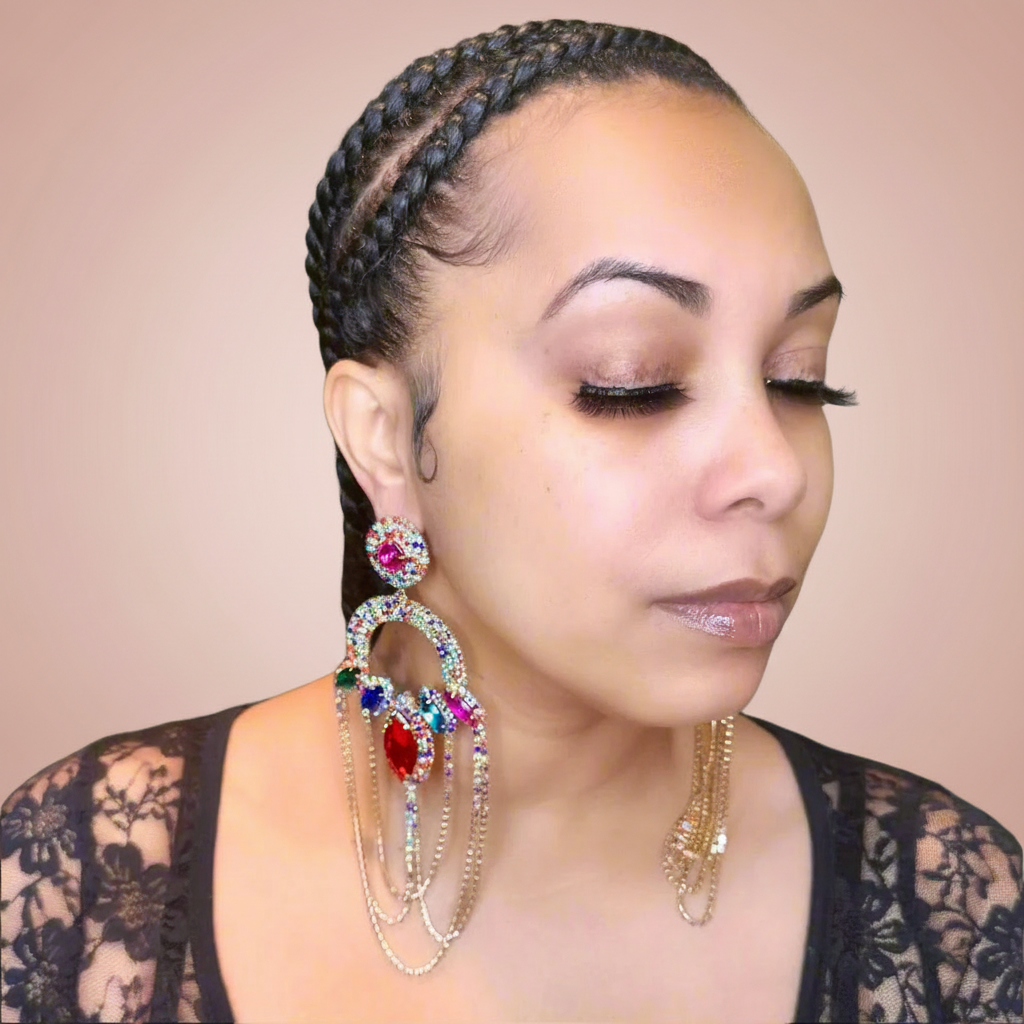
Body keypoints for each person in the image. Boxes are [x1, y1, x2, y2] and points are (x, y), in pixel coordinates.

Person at [1, 18, 1020, 1024]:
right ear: (386, 439)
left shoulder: (950, 899)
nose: (772, 470)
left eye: (801, 380)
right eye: (634, 381)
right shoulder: (83, 872)